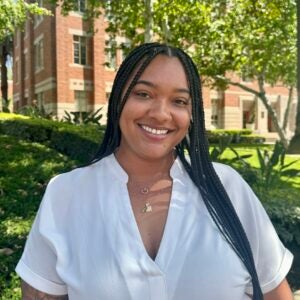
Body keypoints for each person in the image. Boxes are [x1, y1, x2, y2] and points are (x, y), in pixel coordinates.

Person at [16, 43, 294, 300]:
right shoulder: (66, 194)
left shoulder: (227, 189)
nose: (161, 114)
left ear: (192, 113)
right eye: (143, 94)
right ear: (118, 100)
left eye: (180, 101)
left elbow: (274, 292)